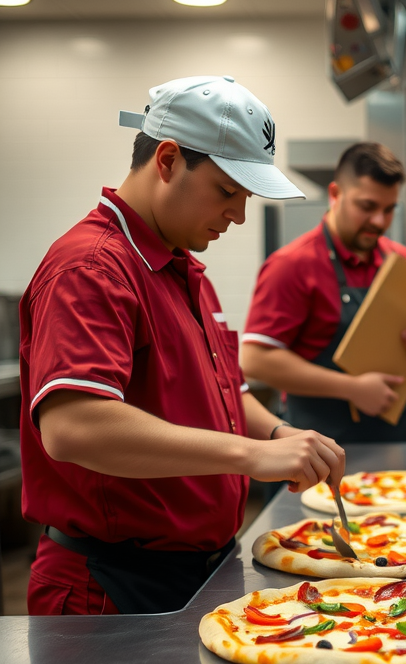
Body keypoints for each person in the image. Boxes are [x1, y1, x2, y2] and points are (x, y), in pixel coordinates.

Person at [20, 75, 346, 616]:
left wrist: (279, 433)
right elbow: (74, 426)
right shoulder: (92, 268)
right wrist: (252, 455)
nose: (239, 215)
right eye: (227, 191)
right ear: (168, 160)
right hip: (110, 585)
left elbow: (226, 393)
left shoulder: (182, 268)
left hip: (194, 571)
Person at [240, 142, 406, 443]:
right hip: (321, 442)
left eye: (389, 209)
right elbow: (256, 360)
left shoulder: (398, 259)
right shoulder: (292, 265)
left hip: (398, 436)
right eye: (367, 207)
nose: (379, 221)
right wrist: (352, 388)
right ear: (335, 194)